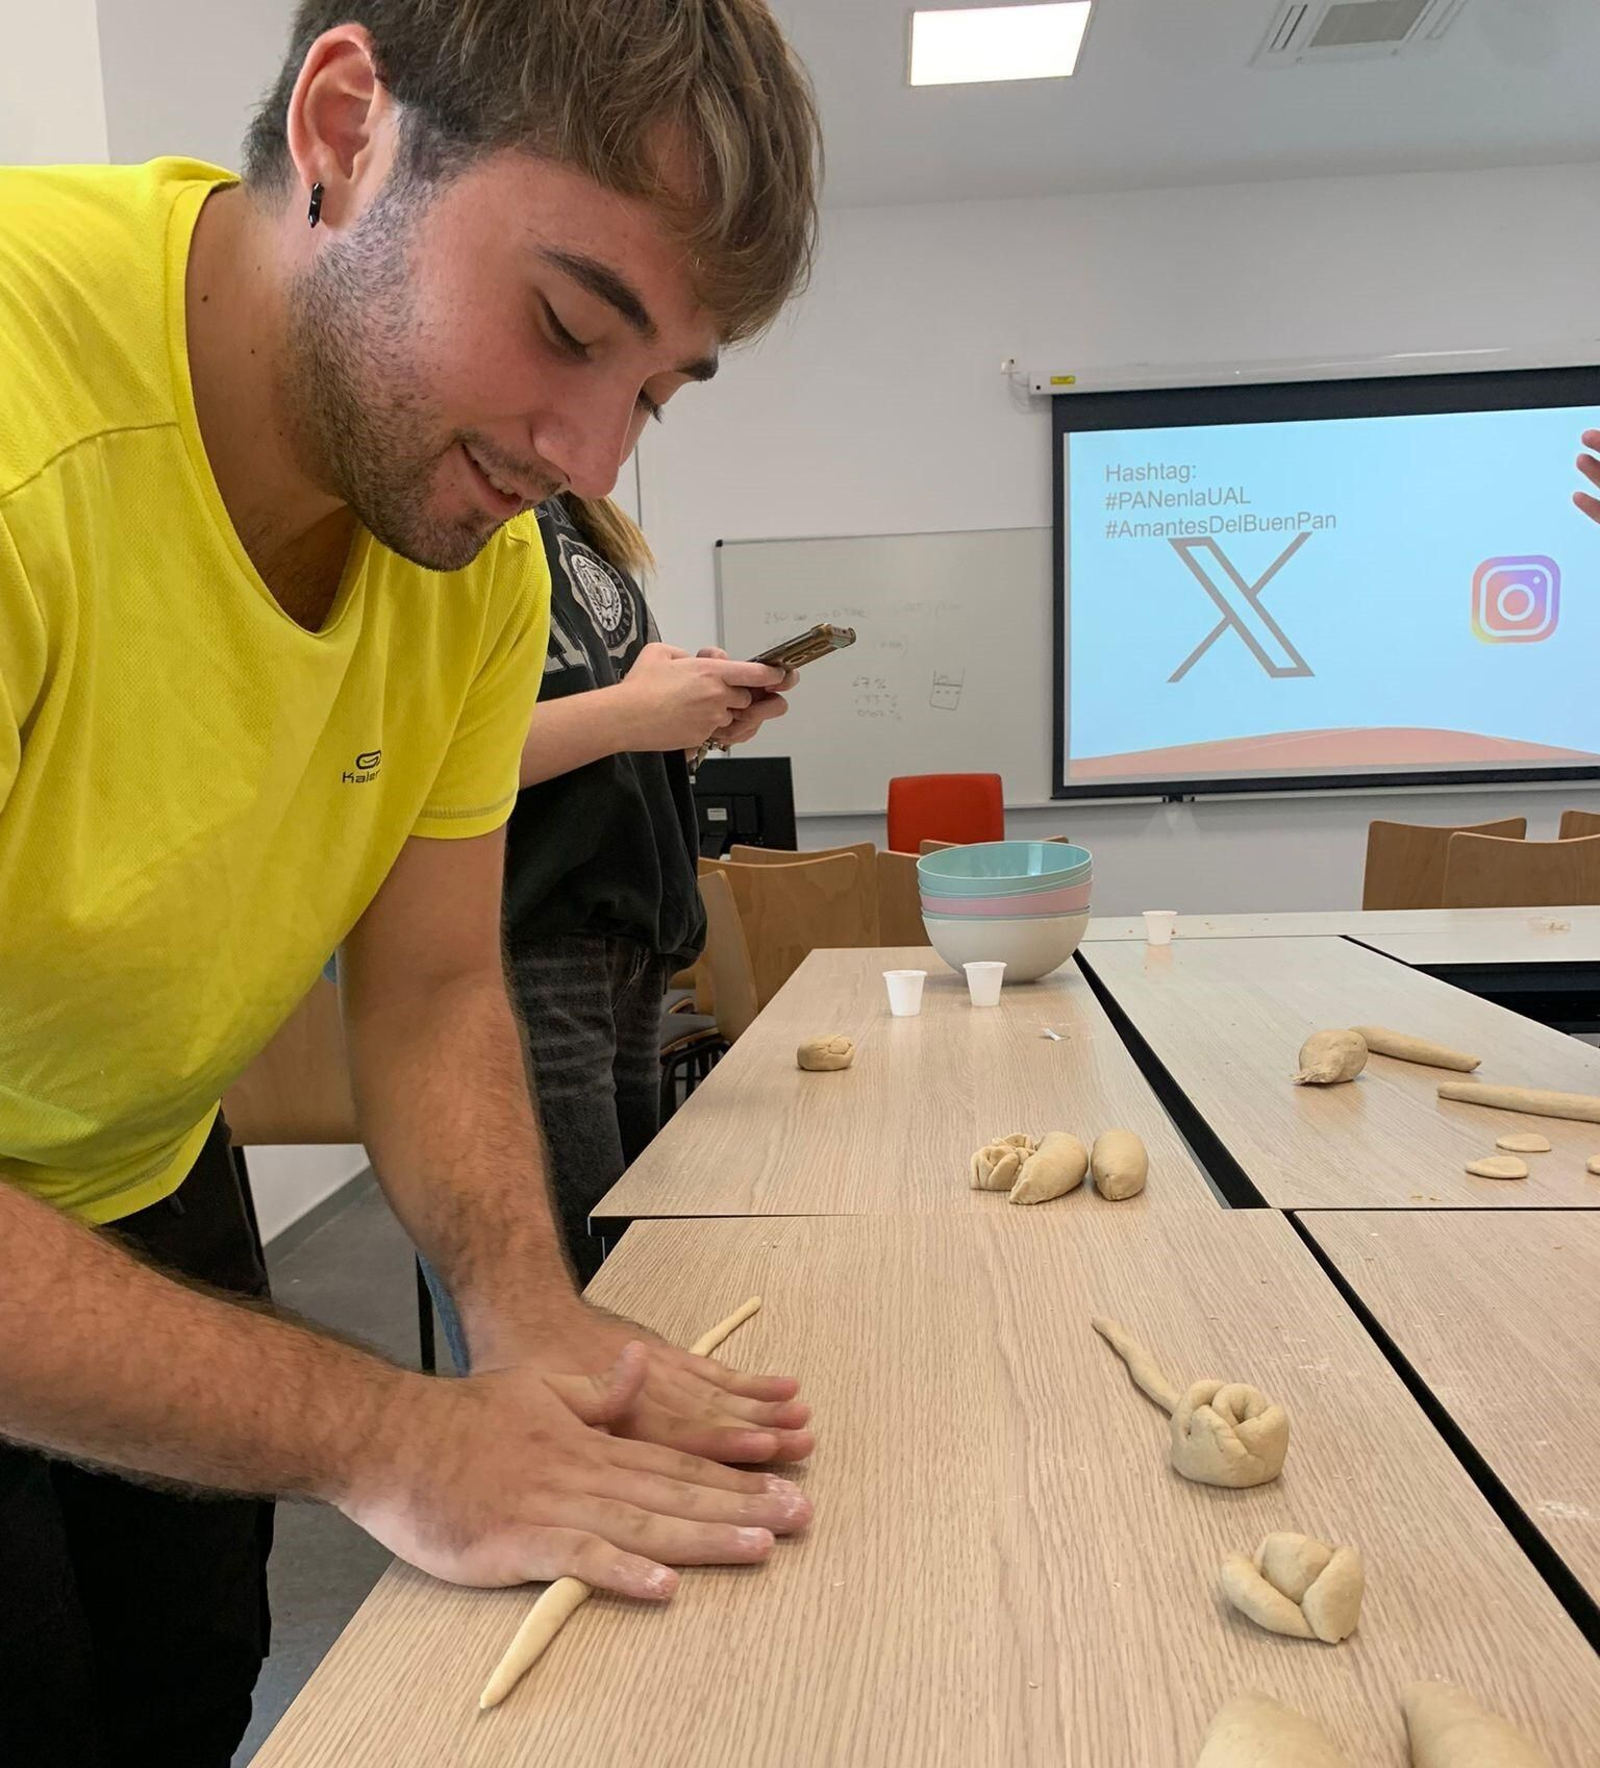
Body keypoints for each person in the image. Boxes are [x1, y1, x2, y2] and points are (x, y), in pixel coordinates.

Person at [0, 4, 822, 1763]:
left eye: (653, 390)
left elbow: (440, 979)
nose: (589, 457)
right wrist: (391, 1429)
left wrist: (526, 1317)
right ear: (347, 125)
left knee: (182, 1673)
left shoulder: (475, 558)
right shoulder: (18, 425)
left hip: (143, 1164)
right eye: (567, 327)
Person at [499, 494, 792, 1292]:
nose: (614, 449)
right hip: (530, 929)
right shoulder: (473, 523)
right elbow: (423, 760)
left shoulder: (579, 533)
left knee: (627, 1259)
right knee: (571, 1281)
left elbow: (590, 755)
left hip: (629, 930)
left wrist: (680, 730)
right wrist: (631, 714)